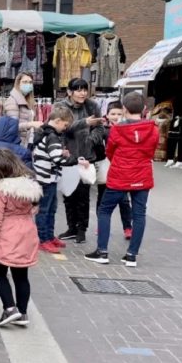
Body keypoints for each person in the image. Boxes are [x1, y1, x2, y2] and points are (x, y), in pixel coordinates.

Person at [85, 92, 158, 267]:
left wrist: (119, 160)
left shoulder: (117, 129)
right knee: (139, 214)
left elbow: (110, 151)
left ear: (124, 109)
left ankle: (102, 251)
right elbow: (151, 151)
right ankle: (131, 255)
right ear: (144, 109)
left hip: (120, 174)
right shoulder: (153, 129)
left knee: (105, 210)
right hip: (142, 174)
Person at [0, 148, 42, 327]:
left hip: (6, 235)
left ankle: (10, 308)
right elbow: (34, 209)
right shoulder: (29, 187)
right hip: (27, 233)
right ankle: (22, 313)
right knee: (21, 275)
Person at [55, 78, 104, 245]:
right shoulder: (60, 106)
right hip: (67, 156)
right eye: (78, 90)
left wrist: (91, 140)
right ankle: (71, 228)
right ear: (70, 92)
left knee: (83, 196)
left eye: (84, 90)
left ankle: (82, 229)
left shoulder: (92, 106)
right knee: (68, 194)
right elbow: (61, 127)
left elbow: (99, 127)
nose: (82, 93)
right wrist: (84, 122)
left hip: (86, 158)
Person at [32, 105, 77, 253]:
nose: (65, 128)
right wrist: (75, 160)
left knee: (50, 209)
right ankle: (43, 239)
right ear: (58, 121)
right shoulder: (52, 137)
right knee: (45, 210)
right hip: (46, 178)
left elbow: (51, 153)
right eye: (65, 125)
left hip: (46, 177)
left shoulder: (44, 132)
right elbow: (57, 159)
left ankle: (49, 237)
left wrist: (61, 153)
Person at [92, 102, 133, 240]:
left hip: (122, 169)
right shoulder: (102, 130)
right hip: (106, 167)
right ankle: (101, 225)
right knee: (102, 198)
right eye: (113, 114)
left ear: (124, 114)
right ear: (107, 115)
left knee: (124, 200)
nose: (116, 116)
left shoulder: (127, 128)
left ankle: (127, 227)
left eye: (119, 114)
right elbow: (97, 147)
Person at [3, 72, 43, 148]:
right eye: (25, 82)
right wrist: (31, 124)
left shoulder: (28, 101)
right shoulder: (12, 101)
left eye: (30, 82)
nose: (28, 84)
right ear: (18, 84)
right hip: (16, 144)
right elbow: (12, 127)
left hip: (28, 142)